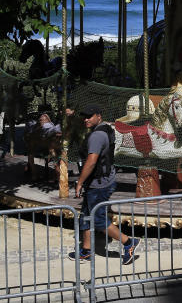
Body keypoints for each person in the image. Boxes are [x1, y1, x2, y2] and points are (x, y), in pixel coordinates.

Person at [69, 103, 140, 264]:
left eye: (89, 116)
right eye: (84, 117)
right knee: (86, 216)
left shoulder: (96, 136)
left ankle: (129, 242)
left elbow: (92, 161)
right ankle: (86, 250)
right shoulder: (105, 129)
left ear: (98, 116)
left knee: (98, 219)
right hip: (101, 179)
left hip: (98, 184)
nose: (85, 119)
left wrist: (79, 182)